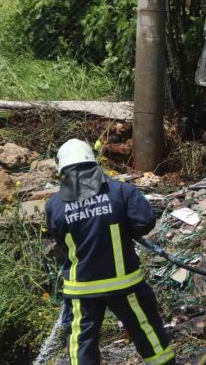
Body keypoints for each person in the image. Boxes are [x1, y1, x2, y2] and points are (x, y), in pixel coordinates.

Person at [45, 139, 175, 365]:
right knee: (145, 329)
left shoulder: (54, 205)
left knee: (81, 341)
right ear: (93, 162)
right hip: (124, 283)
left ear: (61, 169)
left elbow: (60, 241)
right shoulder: (120, 191)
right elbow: (144, 222)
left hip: (81, 288)